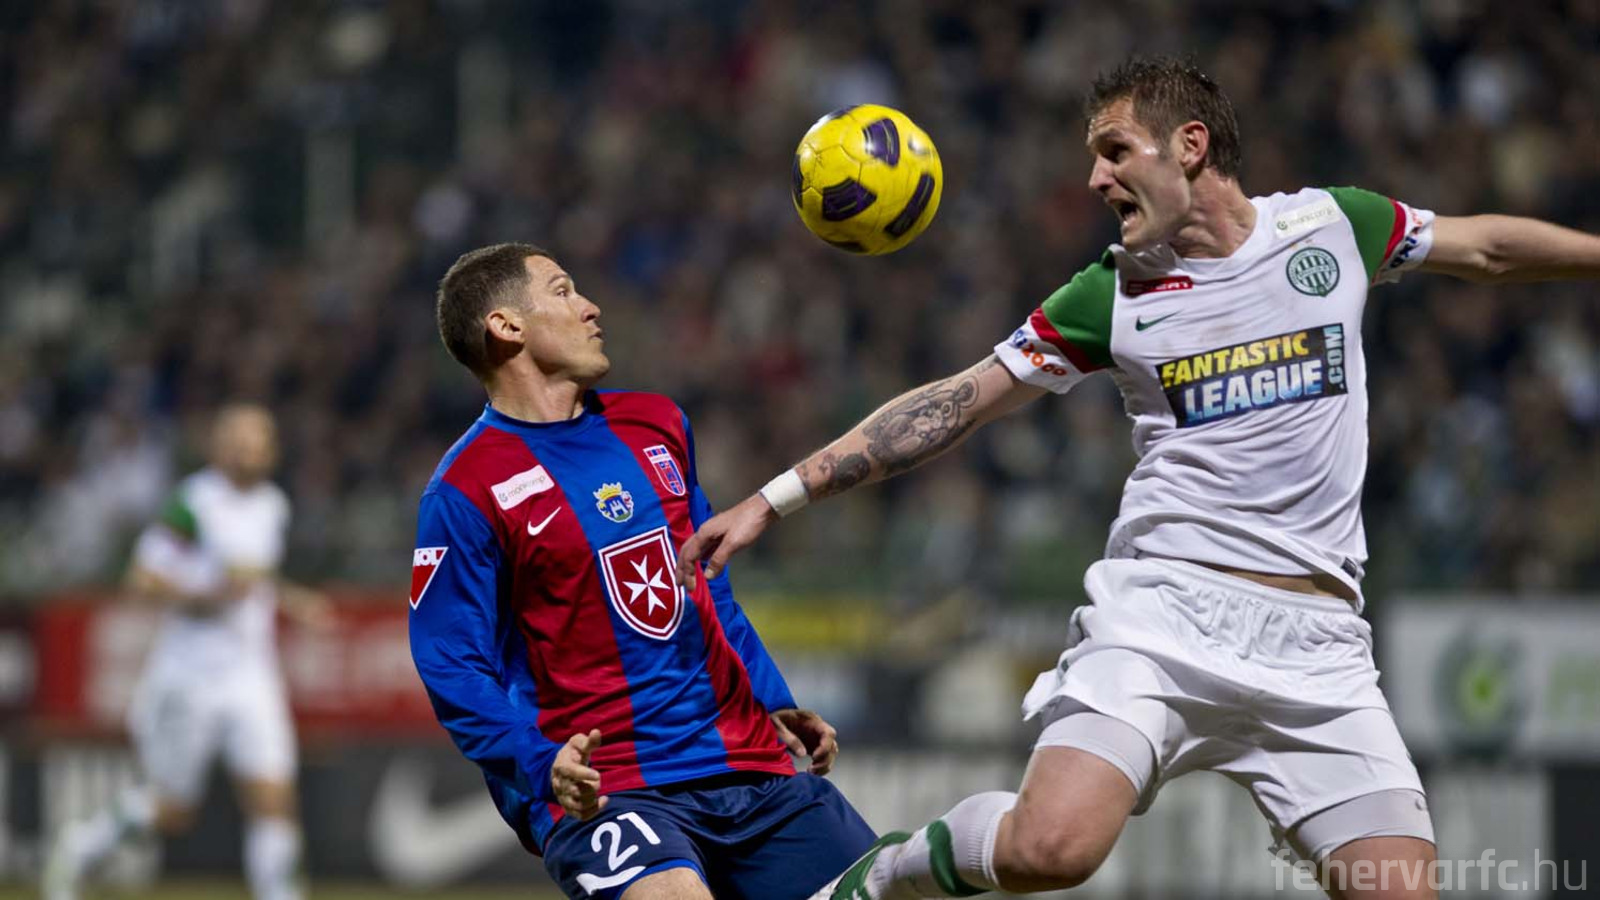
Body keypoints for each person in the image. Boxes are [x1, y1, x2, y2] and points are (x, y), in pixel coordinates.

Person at [678, 56, 1600, 900]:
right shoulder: (1110, 293)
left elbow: (1485, 248)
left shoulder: (1335, 227)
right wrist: (774, 498)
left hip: (1321, 648)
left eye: (1114, 151)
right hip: (1165, 618)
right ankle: (881, 878)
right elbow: (958, 404)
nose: (1095, 179)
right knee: (1051, 851)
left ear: (1189, 145)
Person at [408, 242, 876, 900]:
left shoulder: (655, 423)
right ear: (507, 326)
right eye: (563, 291)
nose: (591, 307)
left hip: (746, 761)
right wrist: (541, 764)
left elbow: (706, 584)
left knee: (888, 888)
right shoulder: (465, 489)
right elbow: (451, 663)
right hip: (611, 786)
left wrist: (772, 699)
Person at [45, 404, 323, 900]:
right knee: (174, 810)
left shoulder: (272, 506)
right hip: (190, 675)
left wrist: (292, 597)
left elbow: (252, 575)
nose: (249, 450)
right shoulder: (194, 504)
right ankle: (82, 846)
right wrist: (201, 597)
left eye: (258, 441)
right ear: (219, 446)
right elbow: (141, 578)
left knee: (274, 795)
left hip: (252, 674)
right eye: (240, 440)